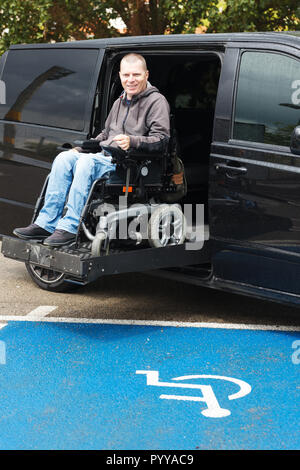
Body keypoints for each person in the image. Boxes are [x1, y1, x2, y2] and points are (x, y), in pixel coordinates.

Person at [13, 53, 170, 247]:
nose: (131, 80)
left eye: (136, 75)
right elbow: (105, 135)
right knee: (64, 157)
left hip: (130, 165)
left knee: (87, 162)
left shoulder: (156, 101)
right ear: (120, 76)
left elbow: (161, 140)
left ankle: (70, 227)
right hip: (105, 158)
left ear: (146, 74)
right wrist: (79, 149)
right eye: (126, 75)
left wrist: (133, 141)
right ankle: (46, 223)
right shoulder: (119, 102)